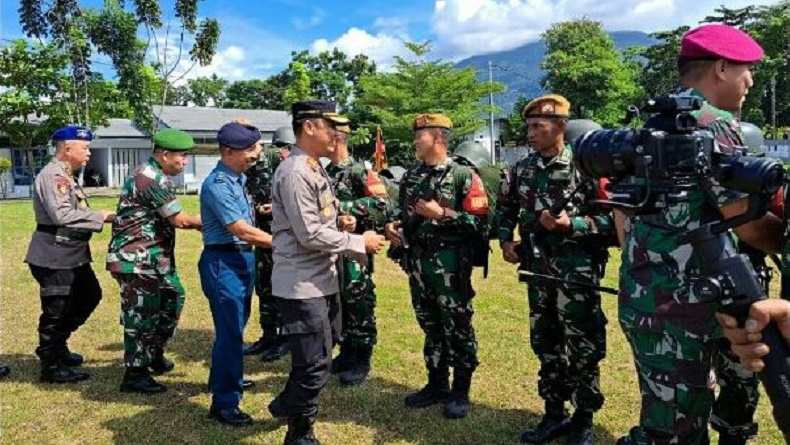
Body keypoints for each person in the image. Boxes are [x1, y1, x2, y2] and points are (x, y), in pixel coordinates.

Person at [615, 24, 784, 445]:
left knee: (665, 411)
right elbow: (747, 222)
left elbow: (623, 214)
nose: (751, 81)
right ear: (722, 68)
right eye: (747, 70)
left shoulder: (646, 122)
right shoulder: (712, 125)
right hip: (702, 301)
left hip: (645, 292)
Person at [266, 101, 385, 445]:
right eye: (330, 126)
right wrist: (358, 241)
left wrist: (341, 220)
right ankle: (299, 433)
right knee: (316, 364)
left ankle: (286, 404)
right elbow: (309, 234)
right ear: (309, 127)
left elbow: (317, 221)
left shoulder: (313, 167)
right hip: (303, 285)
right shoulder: (297, 172)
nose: (336, 134)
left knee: (319, 352)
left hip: (320, 279)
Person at [495, 95, 612, 445]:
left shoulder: (587, 168)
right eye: (528, 126)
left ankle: (583, 419)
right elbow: (505, 207)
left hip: (577, 272)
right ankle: (553, 413)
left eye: (537, 127)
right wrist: (505, 241)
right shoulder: (521, 169)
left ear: (560, 127)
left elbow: (614, 222)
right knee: (545, 341)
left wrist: (571, 224)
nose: (530, 133)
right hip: (538, 271)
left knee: (582, 345)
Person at [384, 113, 489, 420]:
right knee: (429, 325)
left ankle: (461, 389)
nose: (416, 140)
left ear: (439, 139)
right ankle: (436, 383)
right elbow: (401, 212)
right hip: (418, 264)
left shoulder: (463, 175)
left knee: (457, 325)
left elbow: (482, 224)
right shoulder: (413, 174)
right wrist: (394, 226)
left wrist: (441, 214)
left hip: (451, 268)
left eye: (421, 135)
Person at [106, 128, 202, 394]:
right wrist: (220, 223)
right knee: (141, 314)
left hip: (154, 259)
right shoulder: (150, 179)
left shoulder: (155, 175)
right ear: (164, 154)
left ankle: (154, 354)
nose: (184, 162)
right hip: (135, 260)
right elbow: (179, 220)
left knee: (173, 299)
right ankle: (135, 373)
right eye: (181, 157)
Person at [25, 125, 115, 384]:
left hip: (71, 253)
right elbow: (61, 215)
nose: (88, 153)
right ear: (67, 149)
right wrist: (101, 216)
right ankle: (51, 365)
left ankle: (57, 345)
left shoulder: (66, 175)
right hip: (54, 255)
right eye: (84, 148)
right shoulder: (54, 176)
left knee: (89, 295)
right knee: (57, 308)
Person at [198, 121, 272, 426]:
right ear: (228, 151)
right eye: (250, 149)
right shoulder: (217, 183)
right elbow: (239, 229)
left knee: (235, 330)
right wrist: (285, 244)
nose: (256, 154)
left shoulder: (237, 179)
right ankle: (225, 402)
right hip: (223, 263)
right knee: (229, 335)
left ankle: (226, 379)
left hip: (240, 260)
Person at [326, 122, 392, 386]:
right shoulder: (326, 171)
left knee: (359, 300)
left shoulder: (360, 170)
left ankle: (362, 358)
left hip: (357, 250)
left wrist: (347, 208)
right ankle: (346, 352)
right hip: (333, 247)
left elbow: (382, 203)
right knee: (340, 301)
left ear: (339, 141)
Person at [244, 126, 294, 362]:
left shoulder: (290, 162)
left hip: (284, 235)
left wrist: (276, 208)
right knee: (264, 285)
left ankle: (286, 338)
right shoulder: (256, 162)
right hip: (260, 234)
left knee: (282, 286)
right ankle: (268, 335)